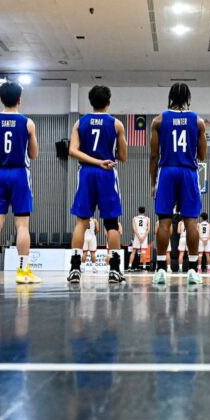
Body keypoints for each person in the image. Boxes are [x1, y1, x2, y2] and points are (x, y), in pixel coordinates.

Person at [0, 81, 40, 285]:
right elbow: (33, 154)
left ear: (1, 99)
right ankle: (23, 271)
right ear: (19, 99)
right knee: (21, 224)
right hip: (19, 174)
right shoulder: (27, 123)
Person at [67, 85, 127, 283]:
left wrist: (93, 160)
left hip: (86, 172)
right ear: (108, 103)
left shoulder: (79, 123)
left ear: (90, 102)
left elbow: (72, 151)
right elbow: (123, 156)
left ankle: (75, 268)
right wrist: (105, 157)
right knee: (111, 223)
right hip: (107, 172)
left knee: (81, 222)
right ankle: (115, 270)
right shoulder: (116, 124)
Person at [150, 82, 207, 285]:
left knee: (164, 221)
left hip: (167, 171)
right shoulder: (198, 122)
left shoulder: (158, 120)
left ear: (170, 97)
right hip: (188, 172)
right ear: (188, 98)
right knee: (191, 222)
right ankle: (192, 269)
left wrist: (152, 181)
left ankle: (161, 270)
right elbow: (202, 154)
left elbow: (154, 155)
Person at [128, 206, 151, 271]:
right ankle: (144, 267)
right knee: (143, 251)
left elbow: (134, 229)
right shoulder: (147, 218)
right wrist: (143, 237)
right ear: (144, 211)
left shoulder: (134, 218)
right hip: (144, 236)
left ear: (138, 211)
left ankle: (129, 267)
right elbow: (148, 229)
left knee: (134, 251)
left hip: (137, 236)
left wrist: (138, 236)